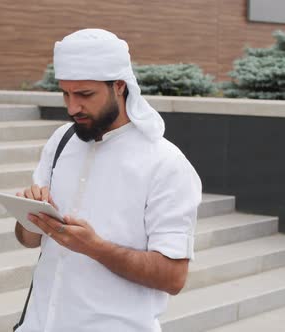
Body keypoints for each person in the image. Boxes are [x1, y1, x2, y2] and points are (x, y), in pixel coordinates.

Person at [13, 29, 202, 332]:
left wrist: (96, 248)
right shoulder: (61, 141)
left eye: (85, 95)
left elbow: (173, 277)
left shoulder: (166, 164)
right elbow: (28, 240)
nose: (72, 107)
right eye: (66, 93)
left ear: (119, 86)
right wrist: (30, 216)